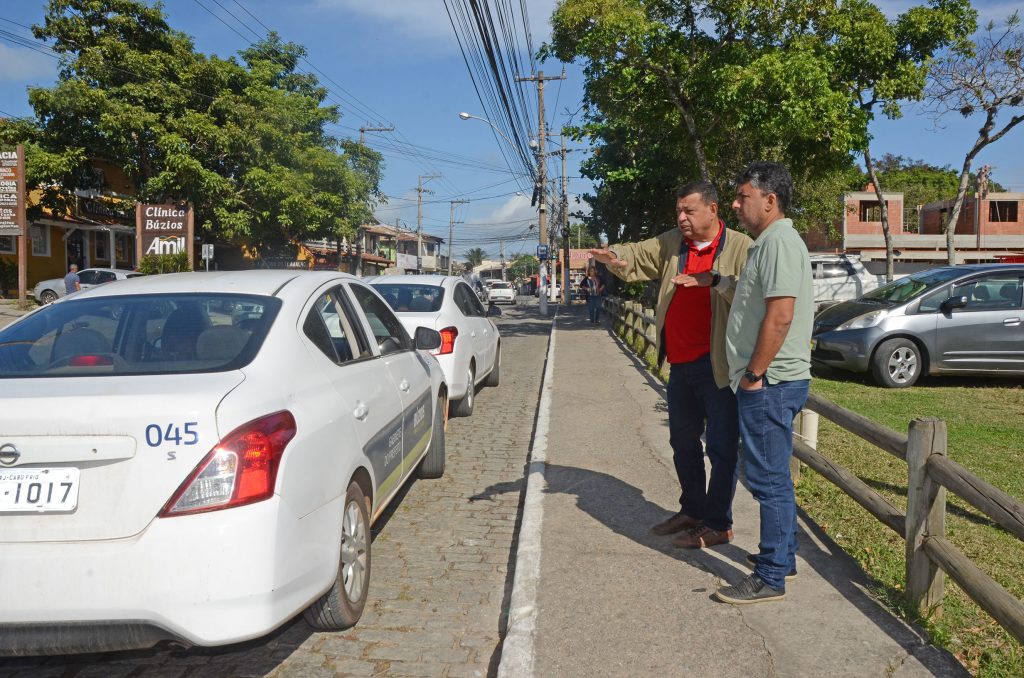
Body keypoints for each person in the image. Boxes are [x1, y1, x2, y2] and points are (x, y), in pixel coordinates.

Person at [590, 181, 753, 549]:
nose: (681, 218)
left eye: (689, 211)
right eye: (678, 211)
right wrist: (613, 254)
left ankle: (719, 523)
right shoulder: (673, 243)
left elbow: (753, 295)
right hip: (680, 364)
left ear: (713, 210)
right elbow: (639, 252)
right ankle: (692, 510)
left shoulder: (741, 247)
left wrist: (716, 282)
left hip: (719, 367)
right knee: (682, 443)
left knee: (721, 448)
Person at [713, 161, 813, 605]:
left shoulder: (779, 243)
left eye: (743, 197)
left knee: (767, 479)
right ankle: (782, 557)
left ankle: (771, 575)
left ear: (770, 200)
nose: (735, 205)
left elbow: (781, 315)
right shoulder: (767, 243)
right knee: (771, 476)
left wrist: (754, 374)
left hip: (769, 382)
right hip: (768, 381)